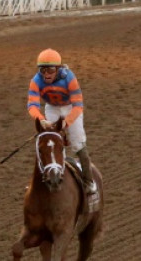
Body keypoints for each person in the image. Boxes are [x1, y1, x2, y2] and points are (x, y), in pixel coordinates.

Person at [26, 48, 97, 195]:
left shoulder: (70, 78)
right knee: (46, 141)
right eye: (42, 70)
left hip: (71, 107)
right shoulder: (35, 81)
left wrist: (67, 122)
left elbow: (78, 105)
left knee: (78, 144)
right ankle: (41, 180)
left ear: (58, 69)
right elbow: (32, 105)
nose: (46, 74)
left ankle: (89, 182)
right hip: (52, 108)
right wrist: (41, 120)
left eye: (50, 69)